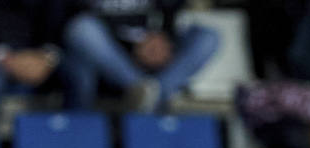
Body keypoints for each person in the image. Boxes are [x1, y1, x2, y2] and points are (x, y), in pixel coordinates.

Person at [62, 0, 219, 111]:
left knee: (208, 38)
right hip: (107, 54)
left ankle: (152, 93)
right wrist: (131, 46)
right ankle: (142, 90)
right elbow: (71, 18)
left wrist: (163, 38)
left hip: (149, 47)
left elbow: (170, 14)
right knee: (81, 30)